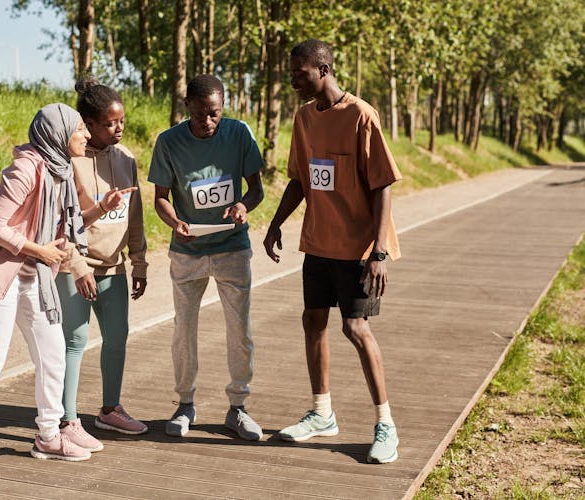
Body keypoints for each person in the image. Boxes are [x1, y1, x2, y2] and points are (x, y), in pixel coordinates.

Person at [0, 103, 124, 483]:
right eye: (80, 129)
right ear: (59, 133)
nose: (86, 135)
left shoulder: (60, 170)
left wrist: (101, 210)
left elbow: (72, 225)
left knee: (53, 353)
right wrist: (39, 250)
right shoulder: (27, 167)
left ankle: (48, 436)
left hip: (35, 279)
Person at [263, 39, 402, 464]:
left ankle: (385, 425)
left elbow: (382, 185)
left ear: (323, 69)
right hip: (318, 242)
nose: (292, 81)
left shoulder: (362, 115)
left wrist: (378, 251)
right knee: (313, 321)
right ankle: (322, 412)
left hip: (358, 248)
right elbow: (300, 179)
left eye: (299, 74)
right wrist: (274, 223)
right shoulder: (304, 118)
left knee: (355, 329)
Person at [148, 74, 265, 441]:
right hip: (188, 252)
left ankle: (238, 408)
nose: (208, 122)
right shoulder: (168, 142)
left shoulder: (239, 133)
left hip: (231, 248)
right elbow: (160, 198)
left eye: (214, 114)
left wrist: (244, 206)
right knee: (184, 330)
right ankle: (185, 404)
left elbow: (256, 188)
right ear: (187, 108)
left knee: (238, 331)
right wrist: (176, 221)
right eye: (200, 114)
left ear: (223, 108)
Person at [55, 76, 148, 448]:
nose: (118, 127)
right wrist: (78, 266)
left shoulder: (126, 160)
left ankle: (110, 410)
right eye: (110, 123)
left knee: (117, 338)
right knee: (74, 340)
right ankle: (67, 420)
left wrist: (138, 262)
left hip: (114, 268)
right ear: (88, 124)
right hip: (75, 267)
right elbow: (61, 222)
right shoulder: (70, 162)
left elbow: (136, 215)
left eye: (121, 121)